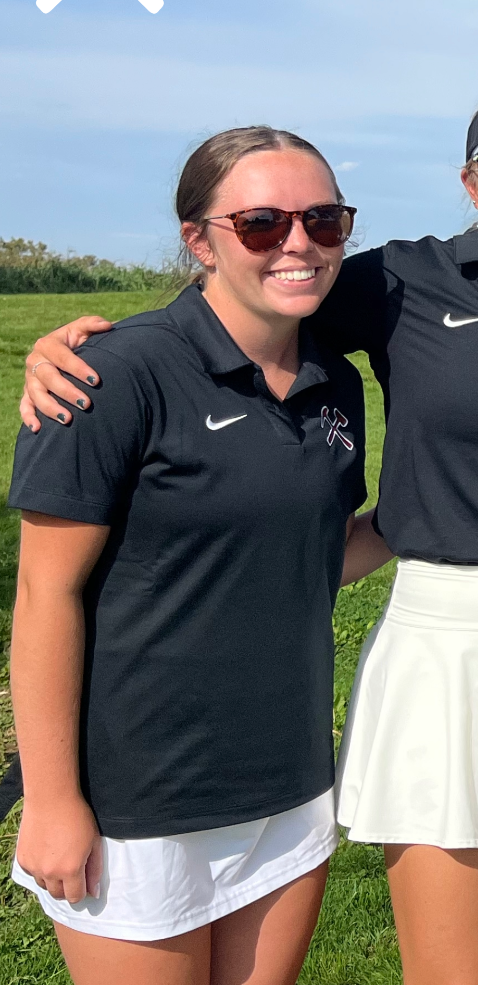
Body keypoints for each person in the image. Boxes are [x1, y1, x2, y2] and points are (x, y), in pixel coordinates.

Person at [19, 84, 478, 985]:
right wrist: (85, 353)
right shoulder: (401, 281)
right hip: (444, 645)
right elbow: (245, 302)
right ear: (472, 184)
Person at [10, 127, 383, 984]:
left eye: (324, 220)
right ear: (199, 241)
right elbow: (43, 594)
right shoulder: (114, 374)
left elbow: (313, 559)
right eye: (262, 223)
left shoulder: (336, 382)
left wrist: (422, 518)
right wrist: (55, 799)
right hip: (138, 802)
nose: (299, 243)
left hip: (288, 784)